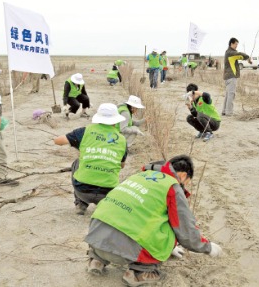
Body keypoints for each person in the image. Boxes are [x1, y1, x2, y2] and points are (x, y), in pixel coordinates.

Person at [84, 155, 223, 286]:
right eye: (186, 183)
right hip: (124, 253)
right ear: (183, 175)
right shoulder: (172, 186)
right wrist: (207, 247)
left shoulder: (138, 176)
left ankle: (96, 261)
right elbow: (185, 229)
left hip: (95, 240)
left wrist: (172, 248)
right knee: (170, 223)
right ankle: (139, 272)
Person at [53, 103, 128, 215]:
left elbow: (57, 141)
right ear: (116, 121)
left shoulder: (84, 131)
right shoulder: (122, 140)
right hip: (107, 193)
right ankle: (105, 206)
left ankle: (81, 203)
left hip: (82, 191)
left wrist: (81, 147)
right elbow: (121, 165)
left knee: (77, 162)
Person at [223, 37, 251, 116]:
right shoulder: (231, 52)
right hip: (231, 76)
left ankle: (224, 111)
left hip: (228, 76)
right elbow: (239, 55)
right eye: (236, 44)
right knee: (231, 95)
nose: (236, 46)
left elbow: (240, 56)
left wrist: (246, 58)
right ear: (231, 44)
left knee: (228, 95)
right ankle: (229, 112)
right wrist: (248, 57)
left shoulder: (228, 52)